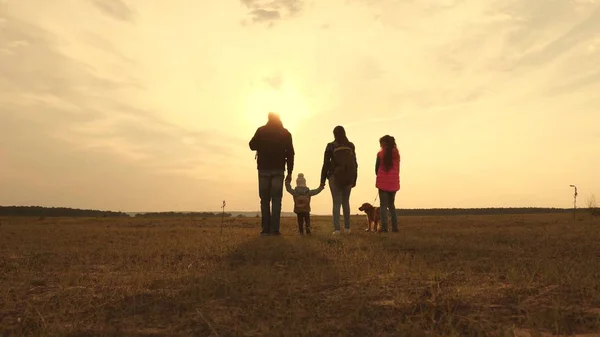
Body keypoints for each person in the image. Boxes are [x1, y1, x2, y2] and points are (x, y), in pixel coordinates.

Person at [249, 112, 295, 236]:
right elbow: (290, 154)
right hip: (279, 170)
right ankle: (275, 230)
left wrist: (262, 145)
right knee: (276, 200)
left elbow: (251, 145)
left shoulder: (261, 130)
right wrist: (290, 172)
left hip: (263, 169)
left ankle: (265, 229)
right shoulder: (285, 133)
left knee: (264, 200)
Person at [320, 126, 358, 235]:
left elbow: (326, 163)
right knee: (346, 202)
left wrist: (322, 180)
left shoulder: (330, 146)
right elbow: (355, 163)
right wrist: (354, 178)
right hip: (348, 177)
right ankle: (347, 228)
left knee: (336, 203)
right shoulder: (350, 145)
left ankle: (337, 229)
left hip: (334, 177)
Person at [375, 135, 400, 232]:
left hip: (382, 182)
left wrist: (380, 176)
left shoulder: (380, 154)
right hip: (393, 183)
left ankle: (384, 228)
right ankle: (395, 228)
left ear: (383, 143)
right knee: (391, 205)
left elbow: (376, 169)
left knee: (383, 205)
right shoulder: (397, 155)